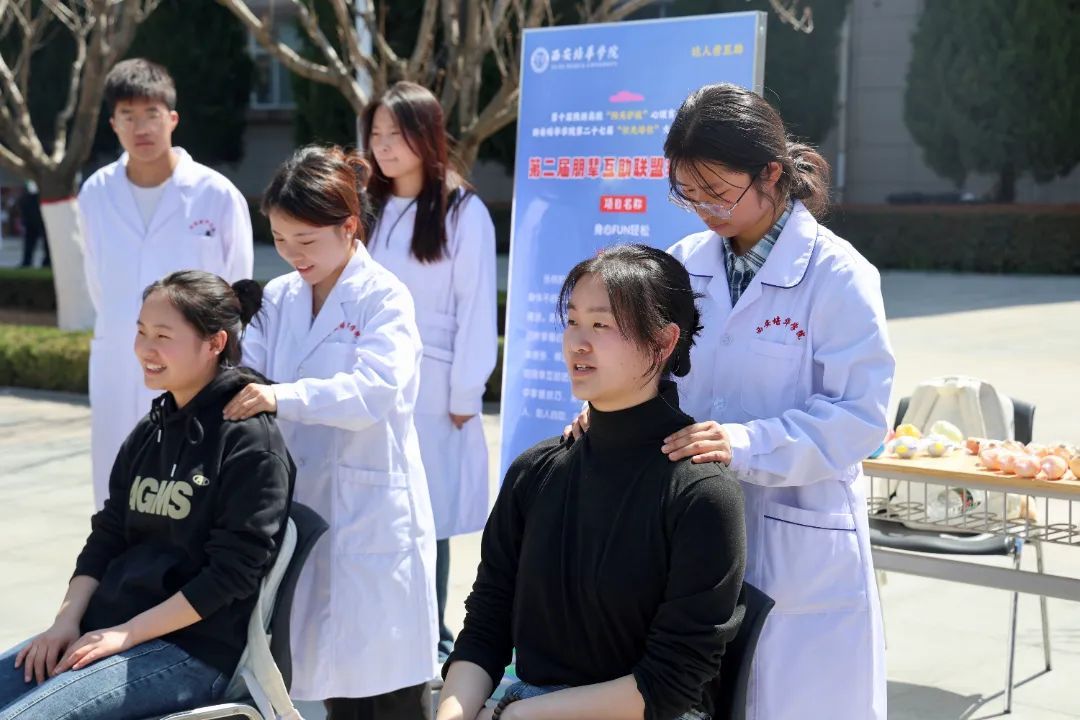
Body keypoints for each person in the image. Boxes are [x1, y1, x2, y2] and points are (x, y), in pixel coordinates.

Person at [622, 83, 892, 720]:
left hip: (797, 541)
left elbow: (860, 417)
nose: (703, 210)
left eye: (717, 192)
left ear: (771, 173)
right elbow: (654, 373)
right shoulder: (683, 264)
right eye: (687, 193)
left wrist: (743, 444)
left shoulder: (838, 276)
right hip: (692, 530)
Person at [438, 244, 746, 720]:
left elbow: (670, 684)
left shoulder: (700, 491)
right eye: (572, 321)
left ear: (663, 342)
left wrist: (516, 716)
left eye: (601, 325)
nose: (577, 343)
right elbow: (486, 625)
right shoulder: (535, 471)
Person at [0, 271, 293, 720]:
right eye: (141, 332)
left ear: (215, 343)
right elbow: (107, 535)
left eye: (163, 336)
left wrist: (128, 634)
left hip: (192, 650)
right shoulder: (151, 429)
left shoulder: (249, 441)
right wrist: (65, 622)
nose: (145, 349)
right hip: (111, 628)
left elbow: (230, 576)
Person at [228, 145, 438, 719]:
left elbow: (374, 390)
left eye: (306, 240)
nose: (292, 255)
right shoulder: (279, 297)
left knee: (388, 692)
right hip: (302, 506)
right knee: (328, 684)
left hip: (369, 513)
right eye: (280, 239)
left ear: (349, 227)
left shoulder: (383, 296)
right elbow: (249, 377)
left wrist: (282, 397)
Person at [361, 81, 498, 662]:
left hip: (435, 382)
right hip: (370, 374)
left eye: (396, 134)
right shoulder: (366, 206)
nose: (384, 146)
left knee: (428, 508)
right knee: (373, 503)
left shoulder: (462, 211)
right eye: (376, 134)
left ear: (427, 136)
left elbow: (475, 306)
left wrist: (465, 392)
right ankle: (378, 627)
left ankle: (432, 636)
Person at [79, 58, 254, 510]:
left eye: (152, 114)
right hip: (120, 362)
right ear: (113, 123)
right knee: (116, 491)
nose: (141, 128)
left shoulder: (216, 194)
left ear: (173, 118)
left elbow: (235, 296)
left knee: (189, 495)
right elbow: (100, 285)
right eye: (128, 115)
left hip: (194, 372)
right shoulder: (96, 193)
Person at [17, 181, 49, 268]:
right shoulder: (27, 196)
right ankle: (27, 261)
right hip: (33, 220)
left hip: (40, 219)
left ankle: (46, 261)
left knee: (45, 243)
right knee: (30, 243)